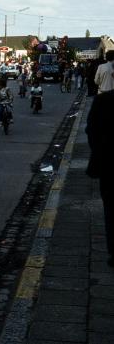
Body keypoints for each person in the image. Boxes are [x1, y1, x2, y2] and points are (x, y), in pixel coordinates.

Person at [86, 89, 114, 268]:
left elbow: (91, 130)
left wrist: (99, 152)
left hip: (109, 164)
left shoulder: (103, 100)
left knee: (111, 208)